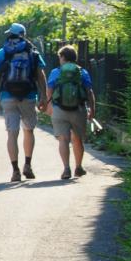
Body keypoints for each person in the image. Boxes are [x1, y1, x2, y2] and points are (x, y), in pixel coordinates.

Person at [0, 22, 50, 182]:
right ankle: (28, 165)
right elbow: (40, 76)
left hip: (7, 96)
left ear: (10, 35)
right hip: (28, 96)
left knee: (12, 133)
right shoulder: (33, 52)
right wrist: (43, 96)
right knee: (28, 130)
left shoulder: (2, 52)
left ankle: (15, 170)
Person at [47, 45, 96, 180]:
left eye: (60, 57)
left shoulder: (55, 72)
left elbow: (49, 90)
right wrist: (92, 108)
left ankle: (66, 168)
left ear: (62, 57)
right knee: (77, 139)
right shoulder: (82, 72)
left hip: (59, 109)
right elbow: (89, 92)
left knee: (63, 139)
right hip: (78, 109)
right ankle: (78, 167)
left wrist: (49, 105)